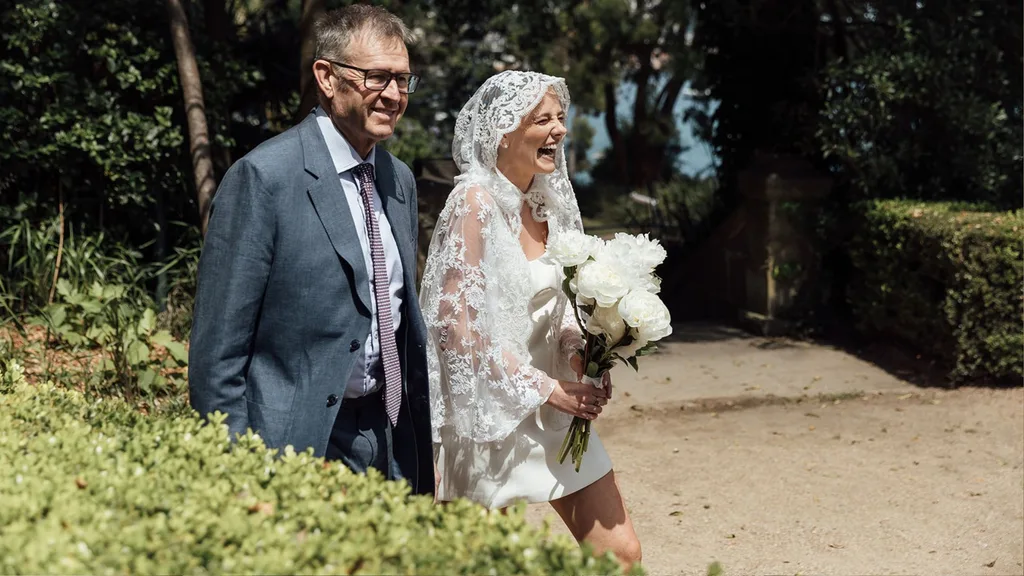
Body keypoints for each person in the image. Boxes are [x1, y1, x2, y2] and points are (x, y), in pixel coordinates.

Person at [188, 4, 432, 496]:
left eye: (403, 80)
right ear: (326, 76)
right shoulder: (264, 178)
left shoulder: (399, 180)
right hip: (290, 446)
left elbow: (401, 320)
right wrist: (240, 468)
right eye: (376, 77)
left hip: (388, 442)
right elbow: (217, 358)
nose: (393, 95)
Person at [419, 71, 642, 567]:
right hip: (492, 417)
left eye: (560, 118)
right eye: (542, 120)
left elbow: (561, 304)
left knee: (620, 554)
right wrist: (542, 387)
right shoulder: (472, 203)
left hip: (556, 413)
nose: (559, 130)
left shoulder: (551, 202)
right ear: (503, 133)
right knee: (482, 564)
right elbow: (457, 329)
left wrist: (578, 351)